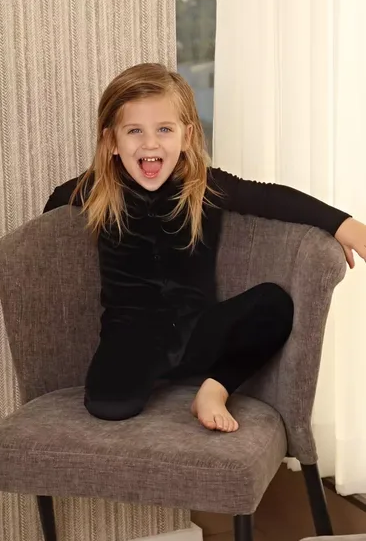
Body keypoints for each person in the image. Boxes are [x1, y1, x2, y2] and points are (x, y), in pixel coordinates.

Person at [44, 63, 366, 433]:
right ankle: (150, 376)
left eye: (164, 129)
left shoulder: (205, 186)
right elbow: (48, 224)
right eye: (134, 131)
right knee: (109, 405)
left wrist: (343, 224)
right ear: (111, 142)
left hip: (199, 332)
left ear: (187, 136)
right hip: (131, 336)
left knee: (274, 303)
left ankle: (214, 390)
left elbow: (271, 198)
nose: (150, 143)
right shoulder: (95, 190)